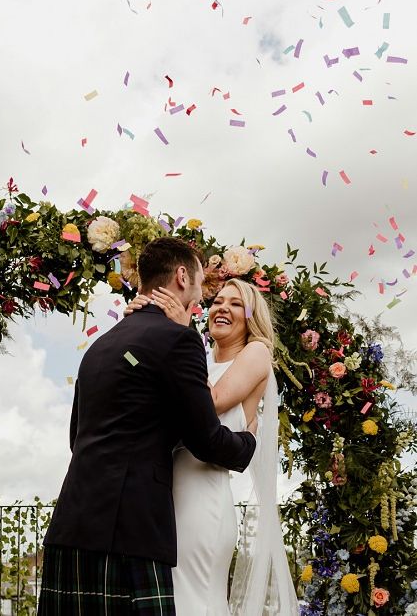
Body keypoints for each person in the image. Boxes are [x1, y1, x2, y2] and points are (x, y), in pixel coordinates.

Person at [38, 237, 257, 615]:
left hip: (71, 527)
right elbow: (204, 439)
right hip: (128, 533)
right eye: (201, 282)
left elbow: (77, 437)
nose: (202, 299)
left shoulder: (101, 345)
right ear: (182, 275)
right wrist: (248, 443)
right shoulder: (179, 340)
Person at [126, 278, 299, 615]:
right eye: (218, 301)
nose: (223, 308)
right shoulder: (197, 358)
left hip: (203, 497)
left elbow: (212, 402)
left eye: (236, 304)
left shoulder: (256, 351)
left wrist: (180, 334)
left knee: (196, 599)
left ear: (250, 316)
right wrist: (137, 326)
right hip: (165, 495)